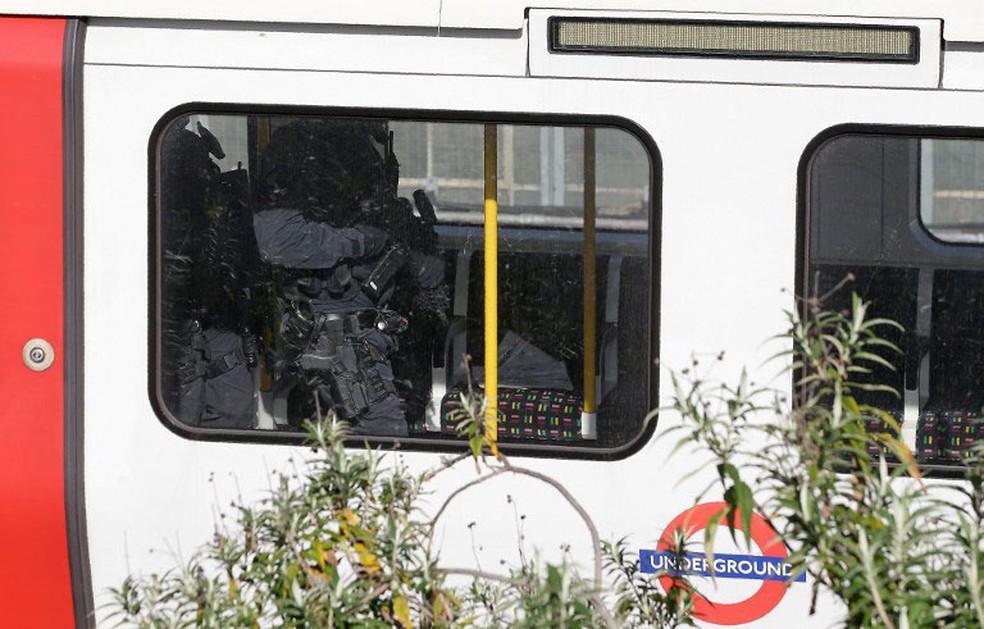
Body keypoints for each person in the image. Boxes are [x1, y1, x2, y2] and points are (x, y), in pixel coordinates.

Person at [253, 117, 447, 437]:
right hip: (338, 337)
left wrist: (412, 237)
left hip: (363, 333)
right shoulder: (303, 148)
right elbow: (278, 242)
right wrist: (360, 241)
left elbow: (420, 265)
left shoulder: (359, 148)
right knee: (386, 443)